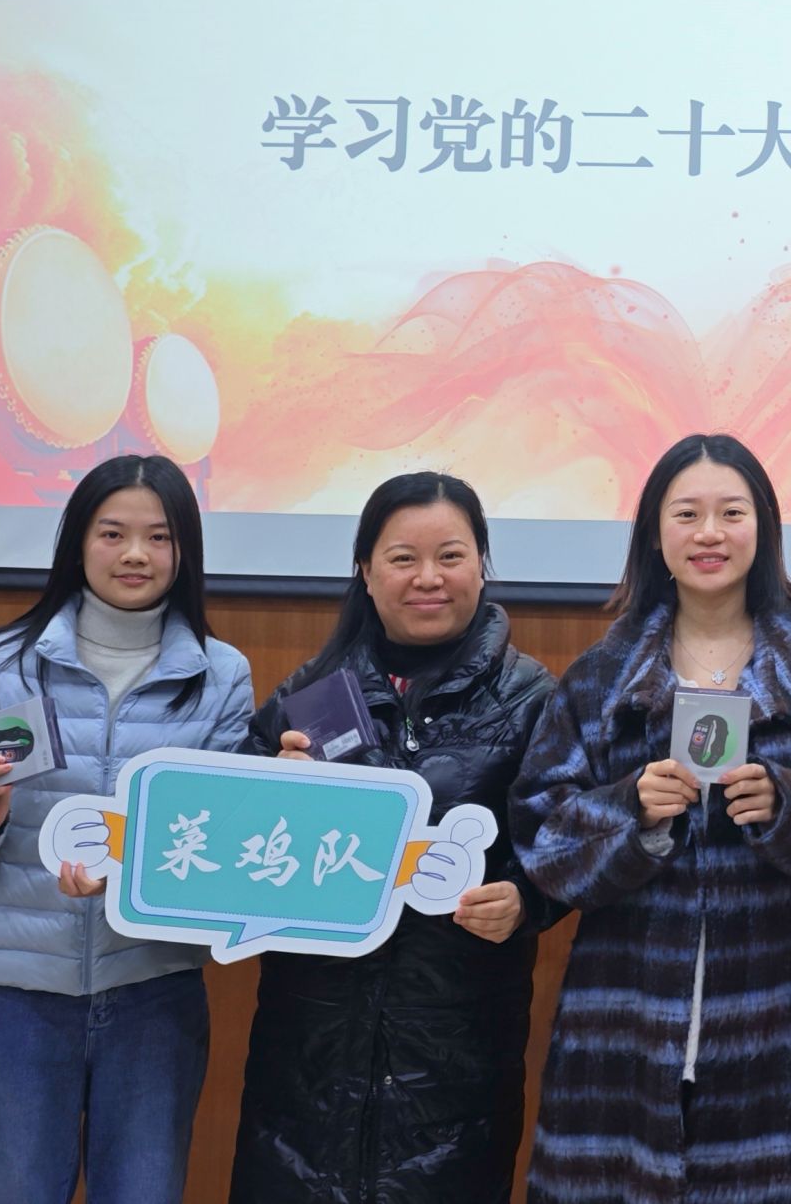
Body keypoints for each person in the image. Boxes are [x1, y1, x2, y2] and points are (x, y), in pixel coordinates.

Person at [512, 432, 791, 1204]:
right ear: (655, 534)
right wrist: (632, 809)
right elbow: (541, 829)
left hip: (786, 1026)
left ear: (764, 527)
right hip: (625, 1027)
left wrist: (787, 804)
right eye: (686, 513)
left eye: (732, 512)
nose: (709, 533)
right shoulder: (601, 676)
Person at [0, 453, 253, 1204]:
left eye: (159, 537)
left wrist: (133, 876)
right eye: (113, 533)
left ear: (184, 550)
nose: (136, 554)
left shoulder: (220, 675)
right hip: (14, 996)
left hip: (154, 994)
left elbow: (220, 850)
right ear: (78, 542)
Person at [228, 470, 558, 1204]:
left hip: (452, 1061)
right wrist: (275, 793)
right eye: (403, 558)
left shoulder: (533, 699)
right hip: (307, 1058)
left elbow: (565, 842)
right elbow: (228, 846)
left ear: (481, 566)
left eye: (451, 555)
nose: (428, 577)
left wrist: (526, 898)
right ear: (367, 572)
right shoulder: (307, 694)